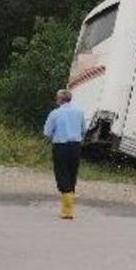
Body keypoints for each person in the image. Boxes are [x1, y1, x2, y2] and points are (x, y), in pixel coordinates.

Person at [43, 89, 87, 219]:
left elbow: (47, 132)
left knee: (62, 173)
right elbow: (84, 129)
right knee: (72, 173)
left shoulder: (55, 113)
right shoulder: (79, 112)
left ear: (60, 99)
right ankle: (68, 207)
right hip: (75, 146)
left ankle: (67, 210)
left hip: (61, 146)